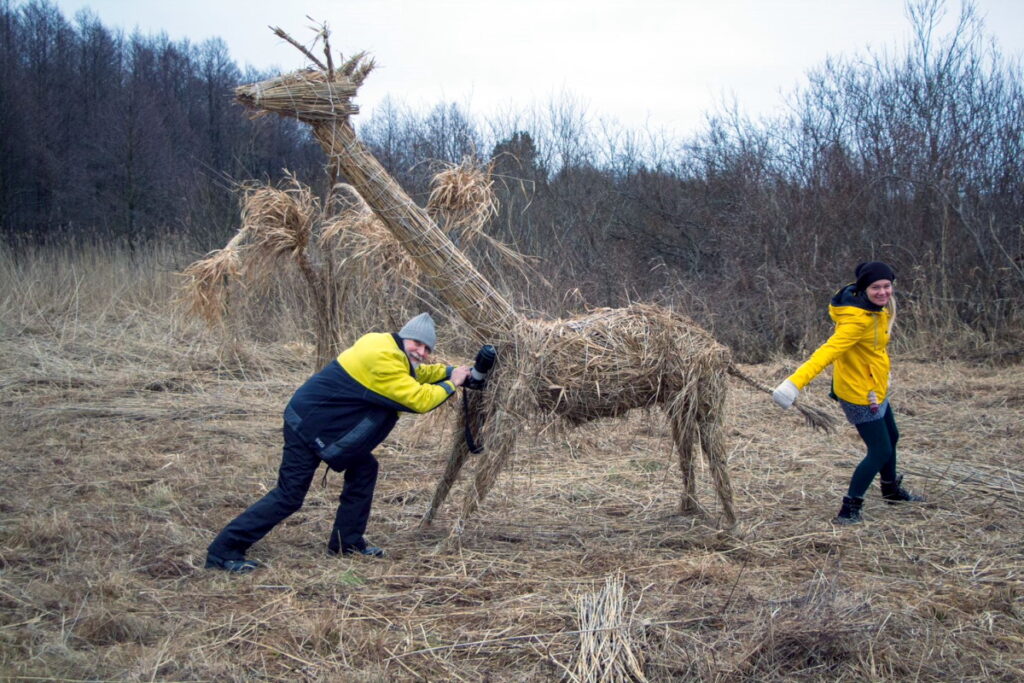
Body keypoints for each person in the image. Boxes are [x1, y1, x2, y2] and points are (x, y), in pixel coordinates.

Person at [206, 312, 471, 572]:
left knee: (365, 468)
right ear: (403, 338)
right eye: (417, 344)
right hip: (308, 425)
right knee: (289, 496)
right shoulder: (383, 358)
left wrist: (451, 371)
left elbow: (418, 374)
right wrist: (452, 383)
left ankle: (347, 543)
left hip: (325, 425)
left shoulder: (387, 348)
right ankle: (223, 551)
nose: (421, 352)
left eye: (427, 348)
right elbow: (418, 399)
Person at [772, 262, 925, 525]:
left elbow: (872, 351)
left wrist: (882, 373)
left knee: (892, 436)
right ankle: (849, 508)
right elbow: (826, 353)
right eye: (876, 287)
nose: (883, 292)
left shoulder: (876, 311)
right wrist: (793, 384)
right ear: (864, 289)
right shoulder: (856, 321)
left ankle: (890, 490)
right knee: (879, 451)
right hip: (859, 394)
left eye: (887, 286)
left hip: (875, 387)